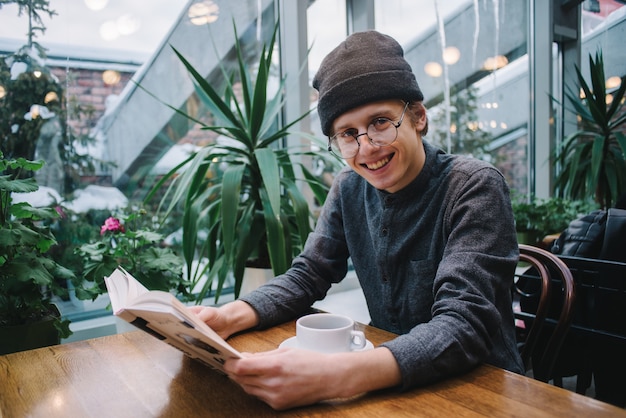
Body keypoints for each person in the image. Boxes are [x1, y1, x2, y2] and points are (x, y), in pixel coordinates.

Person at [190, 30, 524, 410]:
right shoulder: (350, 188)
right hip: (393, 384)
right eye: (348, 134)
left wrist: (330, 377)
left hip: (482, 391)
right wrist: (224, 317)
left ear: (417, 117)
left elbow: (464, 324)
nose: (367, 148)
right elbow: (309, 274)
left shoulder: (473, 186)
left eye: (380, 122)